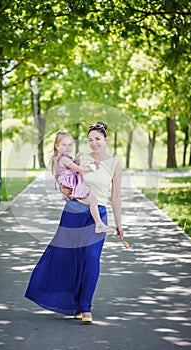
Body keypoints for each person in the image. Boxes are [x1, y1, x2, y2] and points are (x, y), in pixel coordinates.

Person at [25, 121, 124, 324]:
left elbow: (116, 196)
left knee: (91, 257)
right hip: (73, 211)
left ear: (106, 140)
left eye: (98, 139)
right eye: (90, 140)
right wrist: (63, 190)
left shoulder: (115, 163)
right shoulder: (81, 158)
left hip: (98, 215)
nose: (94, 143)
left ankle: (85, 306)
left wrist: (119, 223)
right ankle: (72, 303)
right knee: (68, 257)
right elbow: (67, 178)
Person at [52, 130, 113, 234]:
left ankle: (98, 224)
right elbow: (77, 168)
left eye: (70, 145)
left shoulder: (62, 158)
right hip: (73, 185)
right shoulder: (64, 159)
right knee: (93, 201)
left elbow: (72, 166)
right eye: (64, 145)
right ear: (56, 146)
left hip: (71, 184)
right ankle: (99, 224)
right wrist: (90, 168)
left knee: (91, 201)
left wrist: (85, 161)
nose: (68, 147)